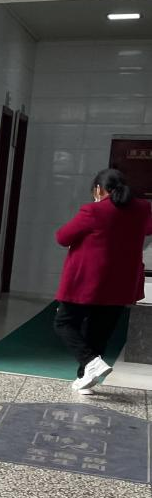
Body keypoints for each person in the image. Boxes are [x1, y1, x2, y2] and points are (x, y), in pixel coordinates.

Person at [54, 168, 152, 395]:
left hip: (87, 283)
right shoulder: (142, 208)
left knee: (63, 322)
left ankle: (91, 362)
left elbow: (62, 237)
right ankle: (85, 379)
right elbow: (147, 229)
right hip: (121, 284)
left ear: (98, 190)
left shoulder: (94, 211)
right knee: (99, 332)